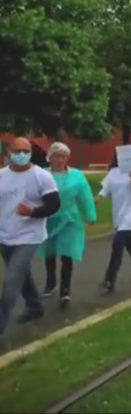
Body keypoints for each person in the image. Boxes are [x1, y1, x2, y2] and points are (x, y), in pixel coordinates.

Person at [0, 137, 60, 336]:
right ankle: (35, 305)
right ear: (9, 152)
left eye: (26, 151)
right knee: (21, 273)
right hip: (5, 235)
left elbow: (53, 205)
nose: (22, 155)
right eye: (17, 151)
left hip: (29, 236)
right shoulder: (2, 175)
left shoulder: (42, 176)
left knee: (12, 280)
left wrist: (33, 211)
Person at [39, 142, 96, 307]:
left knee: (67, 253)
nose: (60, 160)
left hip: (70, 219)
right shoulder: (42, 175)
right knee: (49, 252)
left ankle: (65, 290)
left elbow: (85, 196)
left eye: (64, 156)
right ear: (50, 157)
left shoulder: (77, 176)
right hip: (49, 219)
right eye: (57, 156)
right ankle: (51, 283)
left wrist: (90, 215)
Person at [97, 148, 131, 295]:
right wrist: (99, 198)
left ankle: (109, 280)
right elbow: (105, 188)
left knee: (118, 243)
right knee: (129, 243)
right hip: (119, 213)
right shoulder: (113, 172)